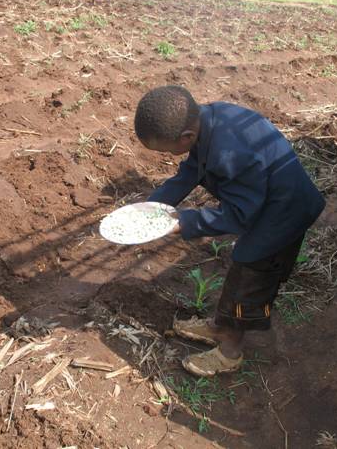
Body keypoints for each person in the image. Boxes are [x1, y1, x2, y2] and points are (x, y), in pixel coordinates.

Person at [134, 85, 325, 377]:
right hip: (266, 200)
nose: (168, 155)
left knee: (250, 275)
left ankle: (229, 352)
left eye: (165, 150)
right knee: (244, 267)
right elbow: (191, 170)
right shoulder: (209, 119)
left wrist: (182, 222)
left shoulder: (230, 152)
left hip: (285, 212)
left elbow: (237, 215)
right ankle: (218, 326)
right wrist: (151, 207)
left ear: (185, 137)